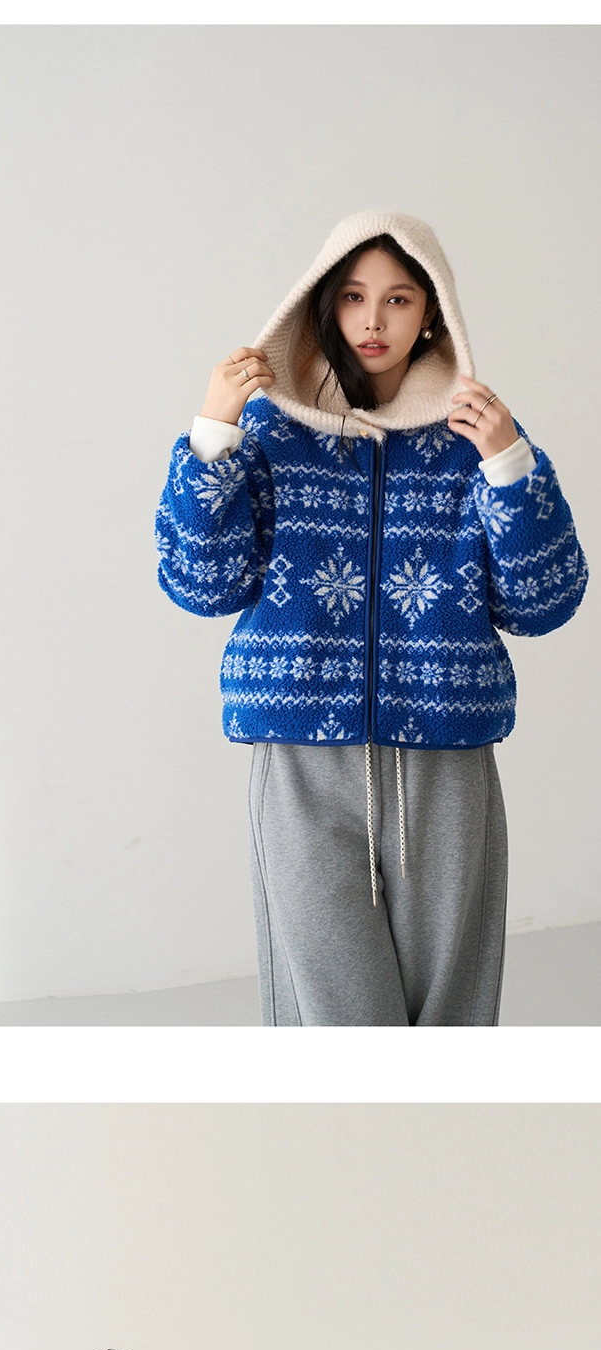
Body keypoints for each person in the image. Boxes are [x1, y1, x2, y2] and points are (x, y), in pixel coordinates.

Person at [156, 208, 588, 1028]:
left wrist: (509, 465)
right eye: (354, 297)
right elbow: (201, 584)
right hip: (300, 756)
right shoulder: (269, 429)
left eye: (398, 299)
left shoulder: (477, 437)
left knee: (449, 1019)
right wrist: (212, 433)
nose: (373, 320)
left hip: (447, 757)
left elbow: (544, 602)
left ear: (432, 314)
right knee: (332, 1020)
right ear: (325, 305)